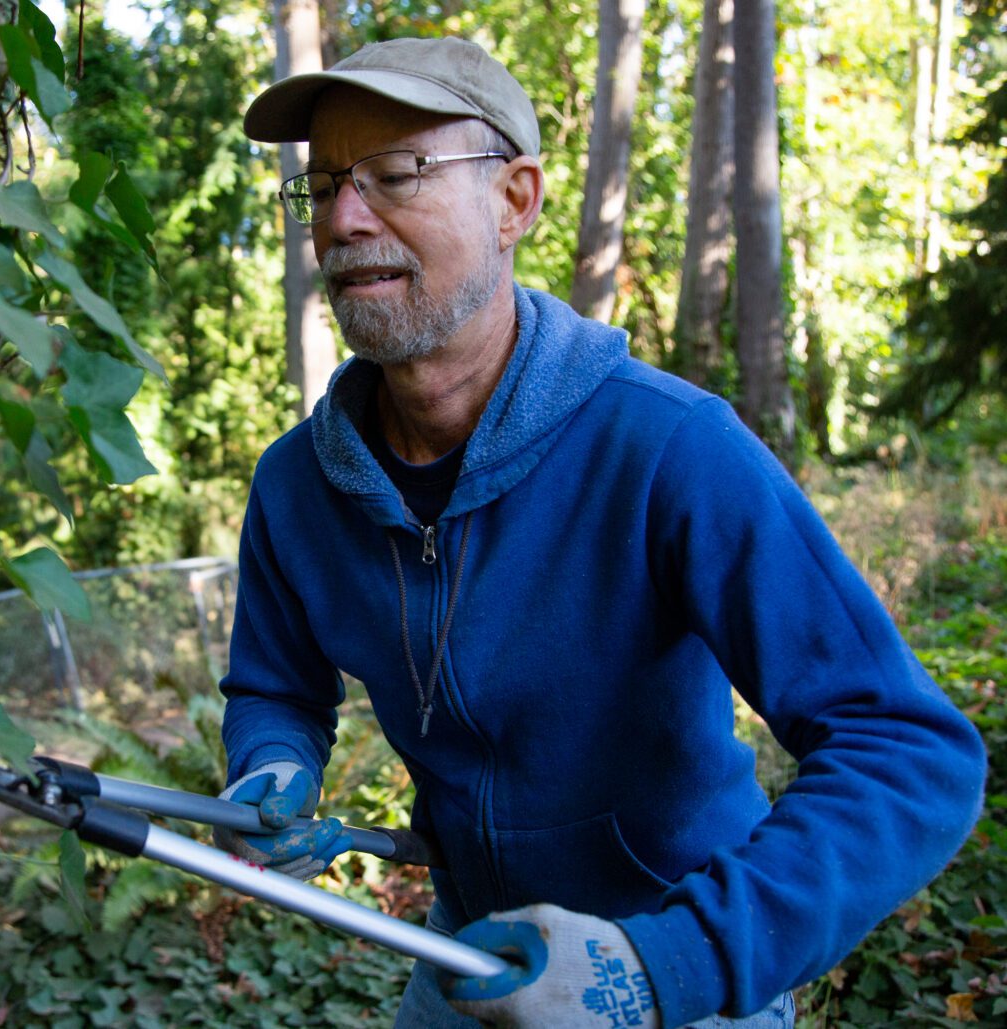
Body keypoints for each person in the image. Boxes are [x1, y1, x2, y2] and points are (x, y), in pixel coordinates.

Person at [210, 35, 987, 1029]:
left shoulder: (669, 449)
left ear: (516, 200)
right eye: (321, 186)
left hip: (674, 959)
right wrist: (273, 765)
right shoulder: (296, 486)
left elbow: (909, 750)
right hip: (467, 946)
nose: (344, 219)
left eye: (396, 174)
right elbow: (277, 687)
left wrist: (663, 964)